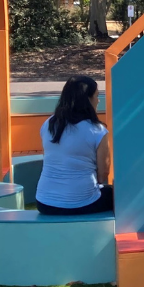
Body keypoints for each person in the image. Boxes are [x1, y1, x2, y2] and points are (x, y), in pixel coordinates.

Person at [35, 76, 113, 215]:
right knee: (116, 194)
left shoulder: (48, 124)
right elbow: (103, 174)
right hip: (82, 203)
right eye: (96, 95)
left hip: (44, 202)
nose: (98, 100)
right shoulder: (97, 130)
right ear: (87, 100)